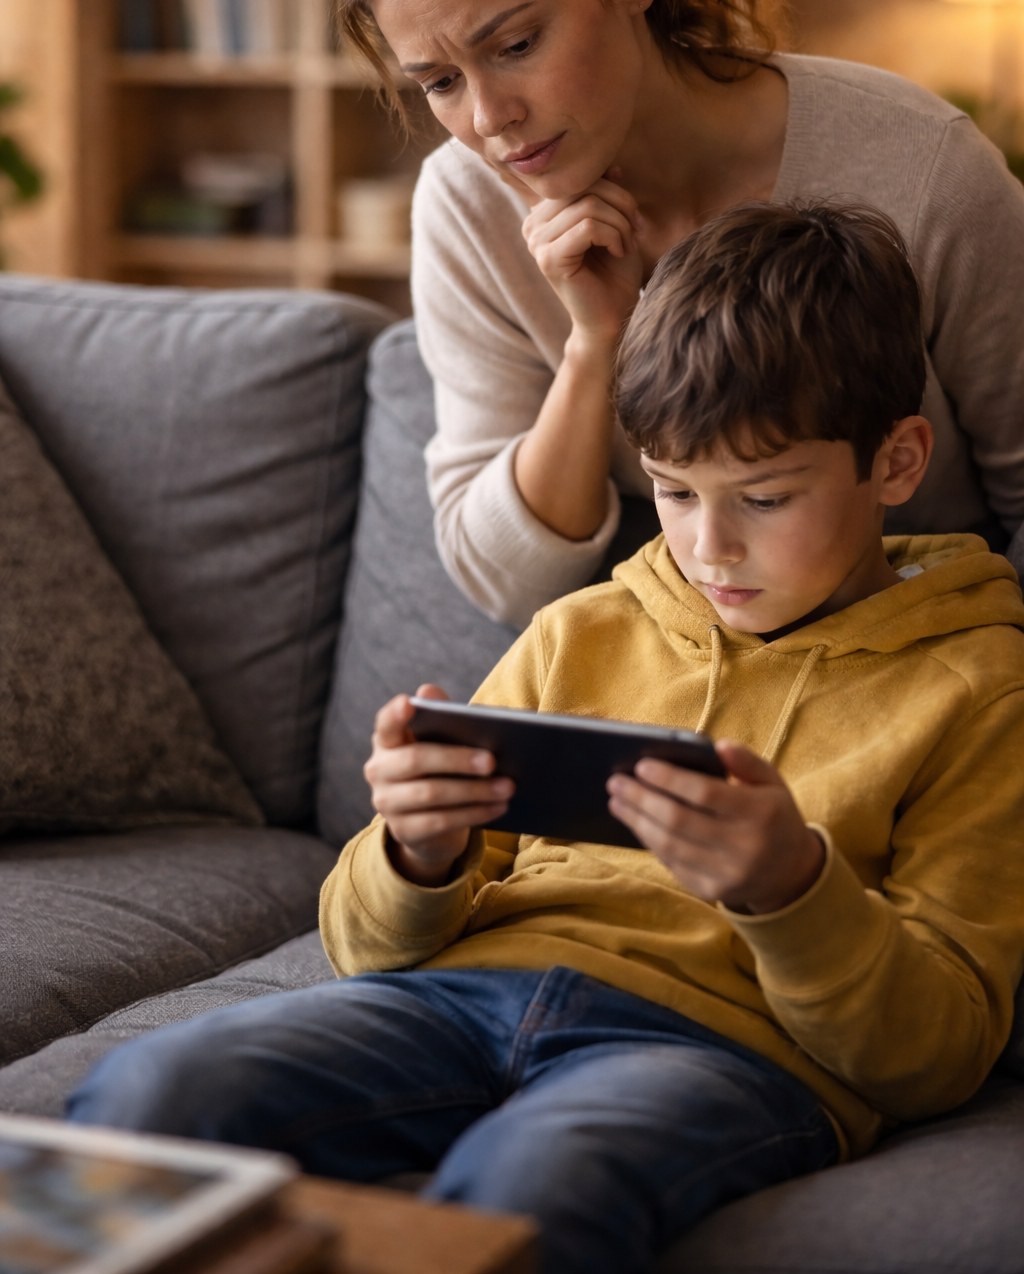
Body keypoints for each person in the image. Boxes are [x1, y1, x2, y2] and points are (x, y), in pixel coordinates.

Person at [69, 201, 1024, 1274]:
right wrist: (413, 853)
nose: (710, 546)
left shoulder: (977, 686)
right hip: (460, 994)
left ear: (895, 465)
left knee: (537, 1188)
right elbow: (360, 948)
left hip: (723, 1050)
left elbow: (935, 1055)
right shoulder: (583, 629)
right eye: (672, 490)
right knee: (152, 1092)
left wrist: (789, 885)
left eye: (762, 497)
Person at [333, 0, 1024, 628]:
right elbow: (506, 586)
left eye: (515, 45)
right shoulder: (469, 207)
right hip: (673, 687)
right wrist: (595, 346)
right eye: (437, 82)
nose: (489, 119)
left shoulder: (921, 166)